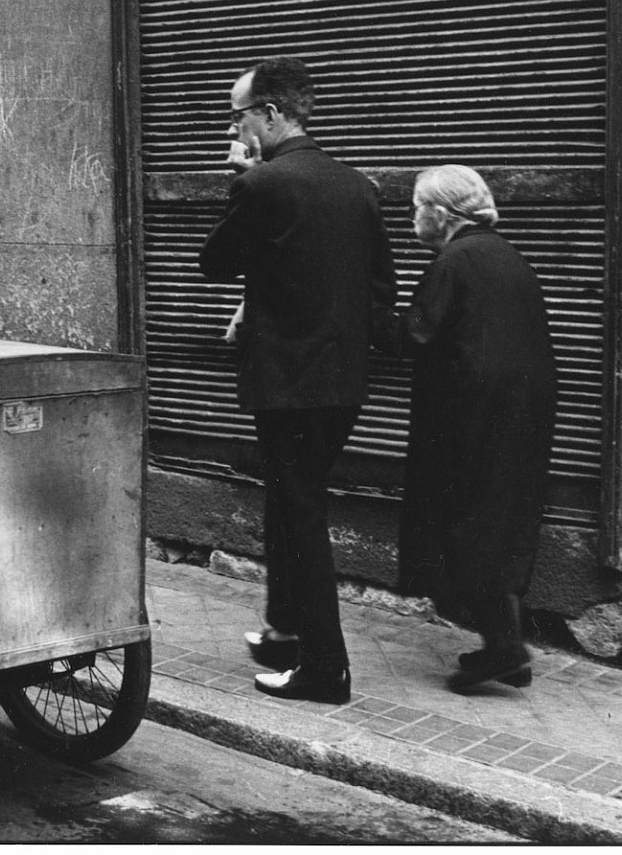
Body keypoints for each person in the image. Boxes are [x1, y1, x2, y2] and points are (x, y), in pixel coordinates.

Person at [199, 56, 396, 704]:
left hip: (286, 383)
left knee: (300, 512)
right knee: (290, 501)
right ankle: (284, 631)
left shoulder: (262, 185)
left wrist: (239, 179)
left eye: (239, 114)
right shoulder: (356, 184)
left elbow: (214, 262)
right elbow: (380, 292)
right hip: (342, 382)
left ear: (272, 114)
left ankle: (324, 670)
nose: (236, 127)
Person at [376, 164, 557, 693]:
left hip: (472, 417)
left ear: (440, 212)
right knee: (497, 522)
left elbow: (415, 336)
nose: (413, 217)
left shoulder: (454, 261)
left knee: (466, 521)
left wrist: (369, 315)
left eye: (415, 207)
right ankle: (505, 647)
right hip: (520, 415)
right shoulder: (507, 255)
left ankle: (502, 649)